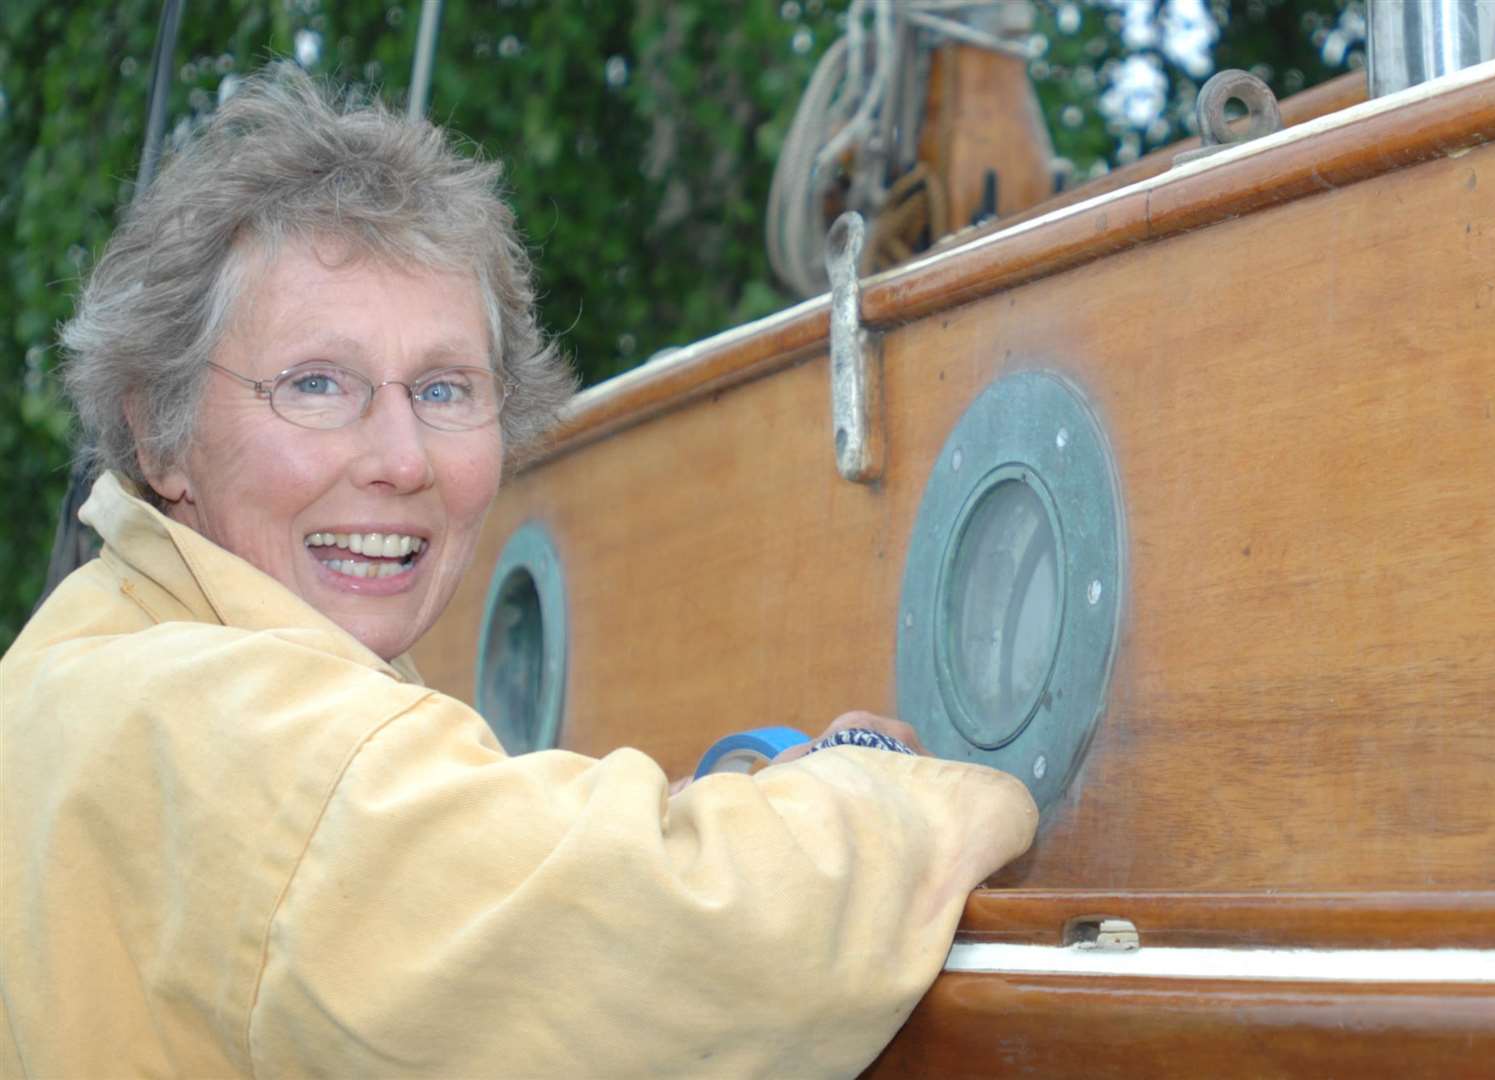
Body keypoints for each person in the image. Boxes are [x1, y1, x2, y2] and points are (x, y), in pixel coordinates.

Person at [0, 63, 1037, 1077]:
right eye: (319, 384)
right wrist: (887, 783)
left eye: (447, 390)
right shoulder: (241, 728)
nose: (402, 459)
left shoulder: (83, 657)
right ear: (160, 433)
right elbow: (681, 944)